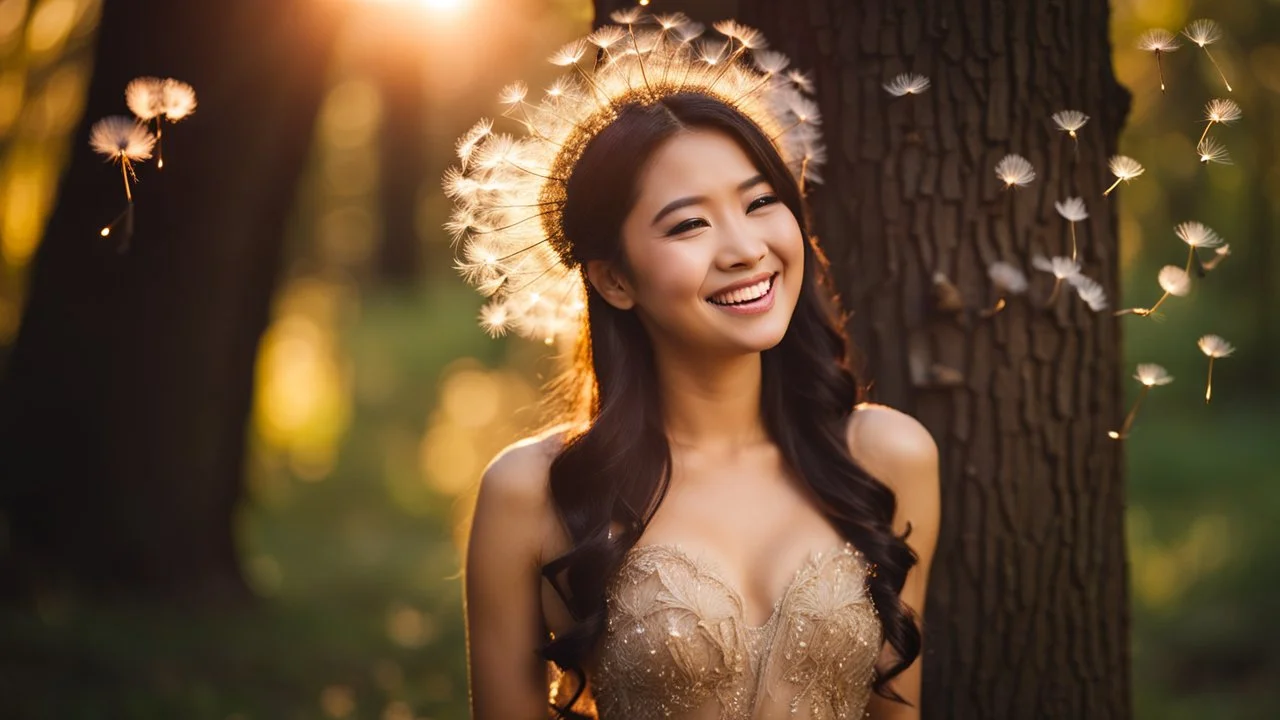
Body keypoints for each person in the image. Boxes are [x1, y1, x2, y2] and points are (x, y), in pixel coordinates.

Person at [446, 9, 940, 719]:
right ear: (614, 279)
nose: (743, 248)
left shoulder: (888, 458)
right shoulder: (533, 492)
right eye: (688, 224)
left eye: (760, 203)